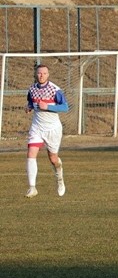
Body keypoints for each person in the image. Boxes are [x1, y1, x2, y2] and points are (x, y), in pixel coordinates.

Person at [25, 64, 69, 198]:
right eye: (39, 73)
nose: (41, 75)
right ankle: (32, 188)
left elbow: (65, 108)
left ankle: (60, 178)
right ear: (36, 74)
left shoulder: (55, 90)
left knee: (53, 158)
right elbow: (31, 103)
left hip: (53, 129)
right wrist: (28, 107)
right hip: (37, 127)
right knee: (31, 153)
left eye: (44, 73)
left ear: (48, 75)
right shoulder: (32, 89)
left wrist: (48, 106)